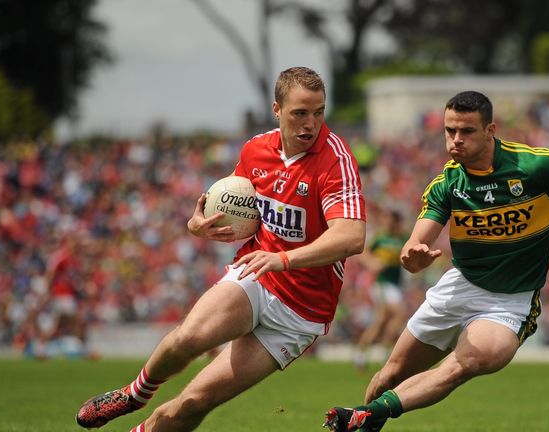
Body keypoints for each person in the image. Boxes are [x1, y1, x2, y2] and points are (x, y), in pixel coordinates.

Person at [75, 66, 366, 432]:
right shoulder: (255, 150)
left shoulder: (335, 160)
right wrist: (198, 224)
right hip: (256, 277)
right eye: (300, 113)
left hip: (301, 312)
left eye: (319, 112)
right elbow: (230, 204)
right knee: (189, 338)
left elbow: (351, 237)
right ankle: (134, 394)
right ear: (277, 110)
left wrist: (283, 259)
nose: (311, 124)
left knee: (194, 403)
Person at [324, 90, 549, 432]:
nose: (456, 140)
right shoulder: (447, 184)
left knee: (467, 362)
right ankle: (366, 419)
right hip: (459, 286)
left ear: (490, 130)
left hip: (510, 302)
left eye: (466, 131)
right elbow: (416, 242)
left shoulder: (536, 165)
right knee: (389, 376)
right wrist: (413, 255)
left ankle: (367, 414)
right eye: (449, 130)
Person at [352, 209, 408, 371]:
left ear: (397, 222)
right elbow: (364, 254)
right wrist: (372, 263)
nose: (386, 223)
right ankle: (386, 351)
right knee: (398, 313)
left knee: (380, 321)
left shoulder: (403, 238)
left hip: (396, 284)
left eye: (390, 219)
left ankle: (360, 354)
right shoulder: (381, 237)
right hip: (382, 283)